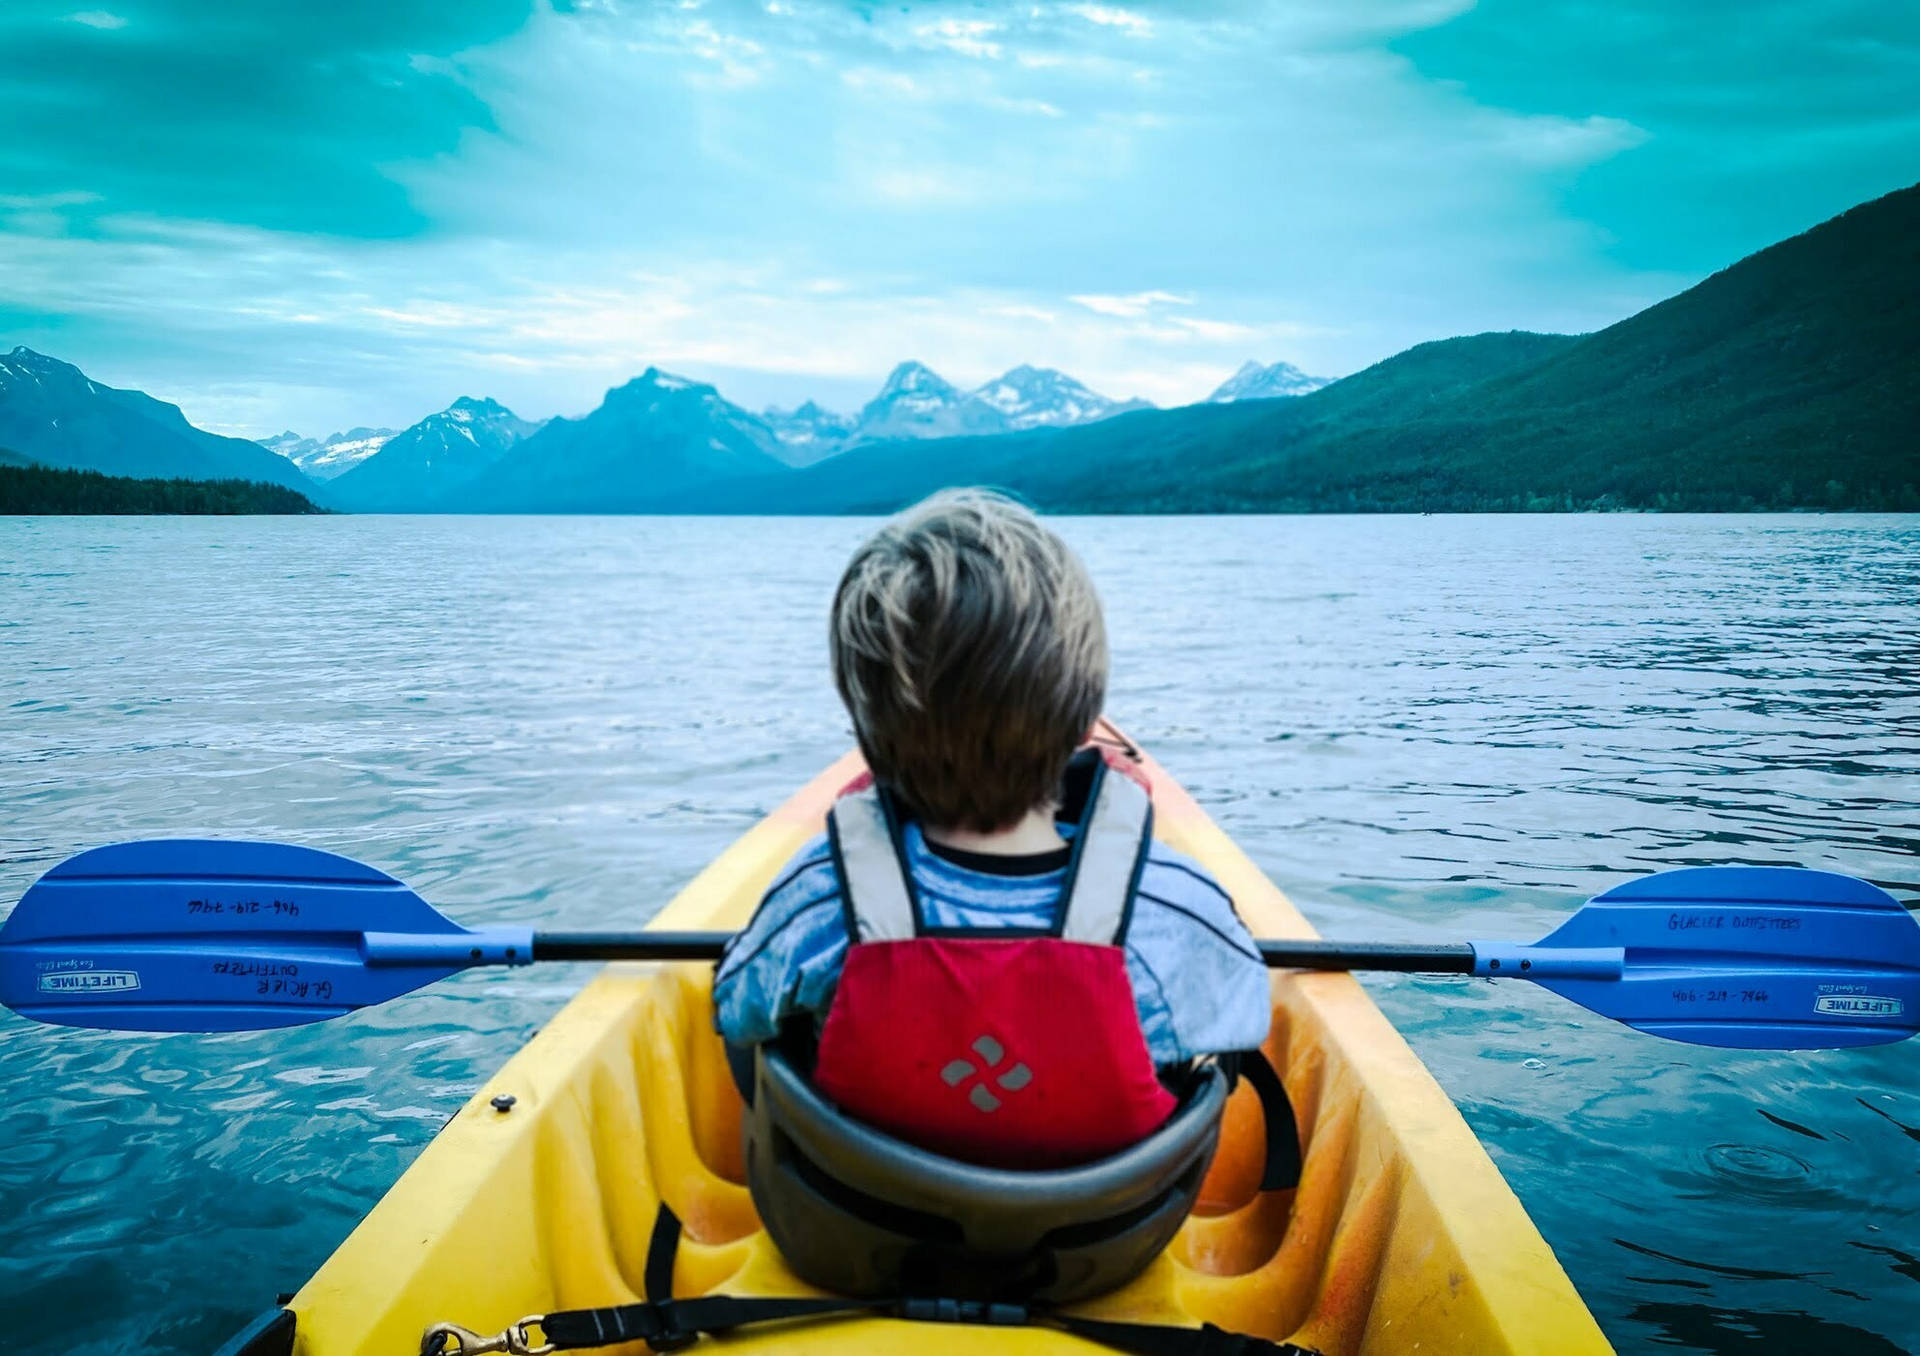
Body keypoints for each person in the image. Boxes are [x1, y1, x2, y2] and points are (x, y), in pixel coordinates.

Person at [713, 488, 1271, 1169]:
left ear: (866, 724)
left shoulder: (819, 894)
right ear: (1082, 714)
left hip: (861, 1233)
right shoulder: (1172, 905)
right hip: (1100, 1247)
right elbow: (1245, 1010)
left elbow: (734, 1005)